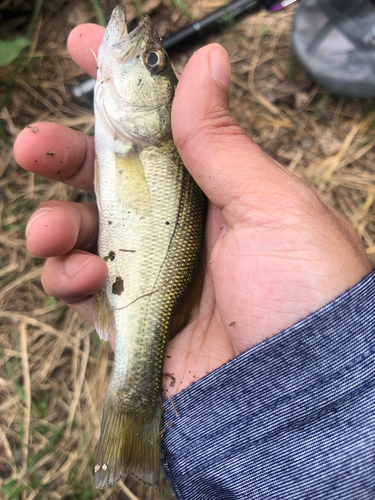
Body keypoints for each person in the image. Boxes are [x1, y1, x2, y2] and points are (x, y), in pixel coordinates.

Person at [13, 22, 375, 499]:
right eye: (154, 61)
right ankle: (138, 430)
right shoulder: (135, 134)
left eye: (152, 62)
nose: (143, 52)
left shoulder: (145, 136)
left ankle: (134, 404)